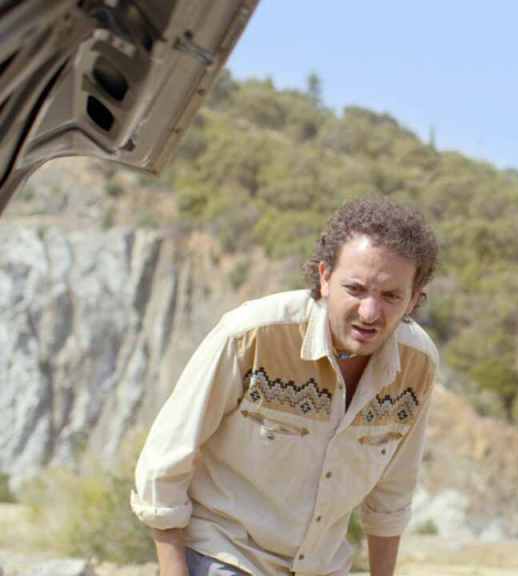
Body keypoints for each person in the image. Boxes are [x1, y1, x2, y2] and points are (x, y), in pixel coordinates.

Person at [132, 197, 440, 576]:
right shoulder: (251, 336)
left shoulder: (417, 364)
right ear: (325, 277)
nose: (370, 312)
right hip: (226, 553)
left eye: (391, 296)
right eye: (356, 289)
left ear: (413, 298)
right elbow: (165, 463)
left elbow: (392, 494)